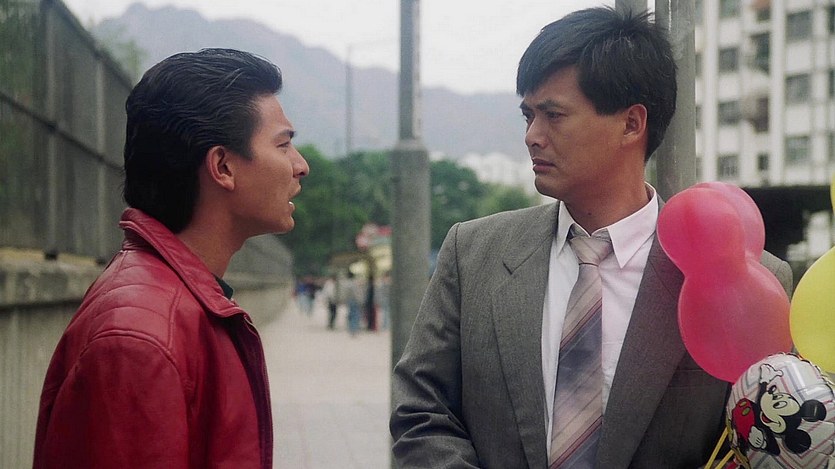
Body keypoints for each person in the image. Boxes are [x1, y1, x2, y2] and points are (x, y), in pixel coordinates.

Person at [389, 7, 793, 469]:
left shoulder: (746, 280)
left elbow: (769, 442)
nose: (532, 136)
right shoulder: (473, 254)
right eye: (528, 116)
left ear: (631, 124)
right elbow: (420, 410)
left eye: (553, 115)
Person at [33, 48, 309, 468]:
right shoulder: (139, 339)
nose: (300, 165)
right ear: (222, 167)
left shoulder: (179, 307)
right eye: (284, 144)